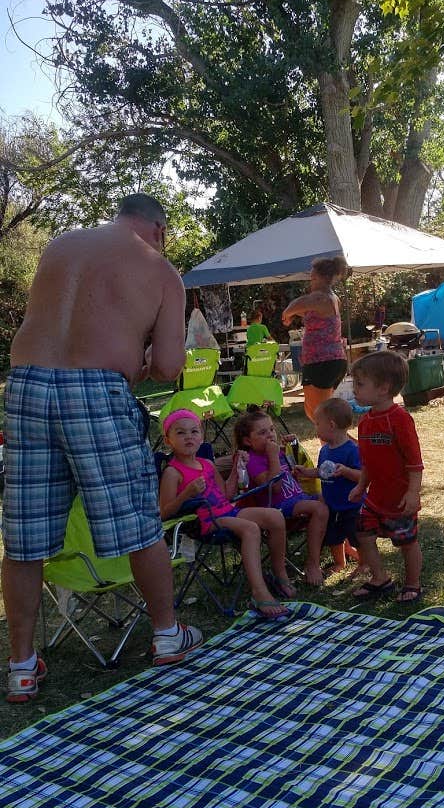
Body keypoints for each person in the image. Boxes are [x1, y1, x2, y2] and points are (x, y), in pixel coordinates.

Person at [2, 193, 203, 703]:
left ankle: (22, 666)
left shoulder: (61, 245)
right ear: (158, 229)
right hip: (95, 390)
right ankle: (165, 634)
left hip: (25, 385)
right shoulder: (161, 271)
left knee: (25, 536)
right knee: (137, 523)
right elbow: (167, 368)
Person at [158, 409, 294, 619]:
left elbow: (227, 494)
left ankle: (280, 574)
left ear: (202, 437)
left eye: (194, 431)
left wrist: (236, 468)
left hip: (227, 511)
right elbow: (164, 513)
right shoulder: (172, 472)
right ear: (168, 440)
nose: (189, 437)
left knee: (274, 516)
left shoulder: (208, 464)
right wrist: (187, 493)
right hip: (204, 520)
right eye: (181, 433)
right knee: (250, 528)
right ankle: (259, 593)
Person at [348, 351, 424, 604]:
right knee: (363, 533)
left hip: (398, 500)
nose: (354, 390)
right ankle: (380, 578)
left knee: (407, 543)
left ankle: (413, 584)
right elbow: (368, 461)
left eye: (360, 384)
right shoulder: (365, 422)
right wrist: (361, 485)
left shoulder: (399, 419)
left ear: (383, 388)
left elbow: (414, 462)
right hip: (375, 498)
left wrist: (413, 492)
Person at [235, 410, 329, 587]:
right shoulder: (253, 460)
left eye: (271, 429)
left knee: (329, 498)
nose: (270, 435)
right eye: (262, 433)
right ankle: (312, 563)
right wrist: (272, 455)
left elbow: (290, 471)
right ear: (248, 441)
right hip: (277, 507)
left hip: (297, 498)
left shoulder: (276, 451)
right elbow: (275, 487)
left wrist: (291, 447)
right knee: (319, 509)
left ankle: (336, 549)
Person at [295, 398, 366, 578]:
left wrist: (346, 471)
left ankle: (364, 563)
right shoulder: (325, 450)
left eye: (318, 424)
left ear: (331, 425)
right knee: (334, 537)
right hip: (331, 505)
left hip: (352, 505)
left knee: (357, 537)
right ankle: (340, 562)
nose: (316, 428)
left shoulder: (352, 450)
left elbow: (363, 476)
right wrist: (306, 472)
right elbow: (322, 472)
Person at [281, 256, 348, 421]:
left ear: (325, 278)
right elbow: (309, 312)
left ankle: (347, 447)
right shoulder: (331, 299)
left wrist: (287, 314)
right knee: (319, 414)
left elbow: (298, 304)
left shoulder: (320, 297)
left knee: (320, 418)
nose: (310, 283)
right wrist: (293, 314)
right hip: (332, 360)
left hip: (321, 362)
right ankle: (338, 446)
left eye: (313, 278)